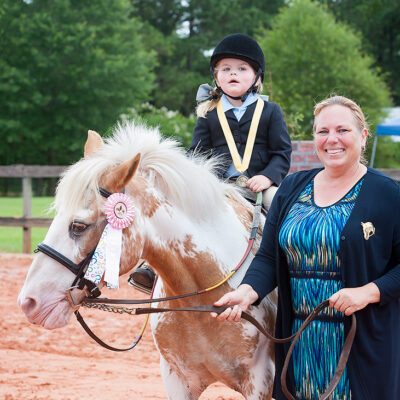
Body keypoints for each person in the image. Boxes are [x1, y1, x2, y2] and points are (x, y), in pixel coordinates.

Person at [212, 95, 400, 399]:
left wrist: (367, 292)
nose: (331, 139)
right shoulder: (292, 187)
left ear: (363, 137)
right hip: (300, 341)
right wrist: (247, 292)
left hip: (360, 343)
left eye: (342, 130)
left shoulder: (388, 195)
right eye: (322, 131)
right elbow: (270, 256)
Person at [130, 33, 292, 292]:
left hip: (258, 184)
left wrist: (269, 177)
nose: (233, 74)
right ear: (216, 78)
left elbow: (282, 152)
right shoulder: (208, 114)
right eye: (225, 69)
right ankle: (152, 269)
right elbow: (197, 154)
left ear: (256, 77)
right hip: (218, 185)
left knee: (283, 211)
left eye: (242, 68)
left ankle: (290, 267)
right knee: (175, 210)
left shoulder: (271, 111)